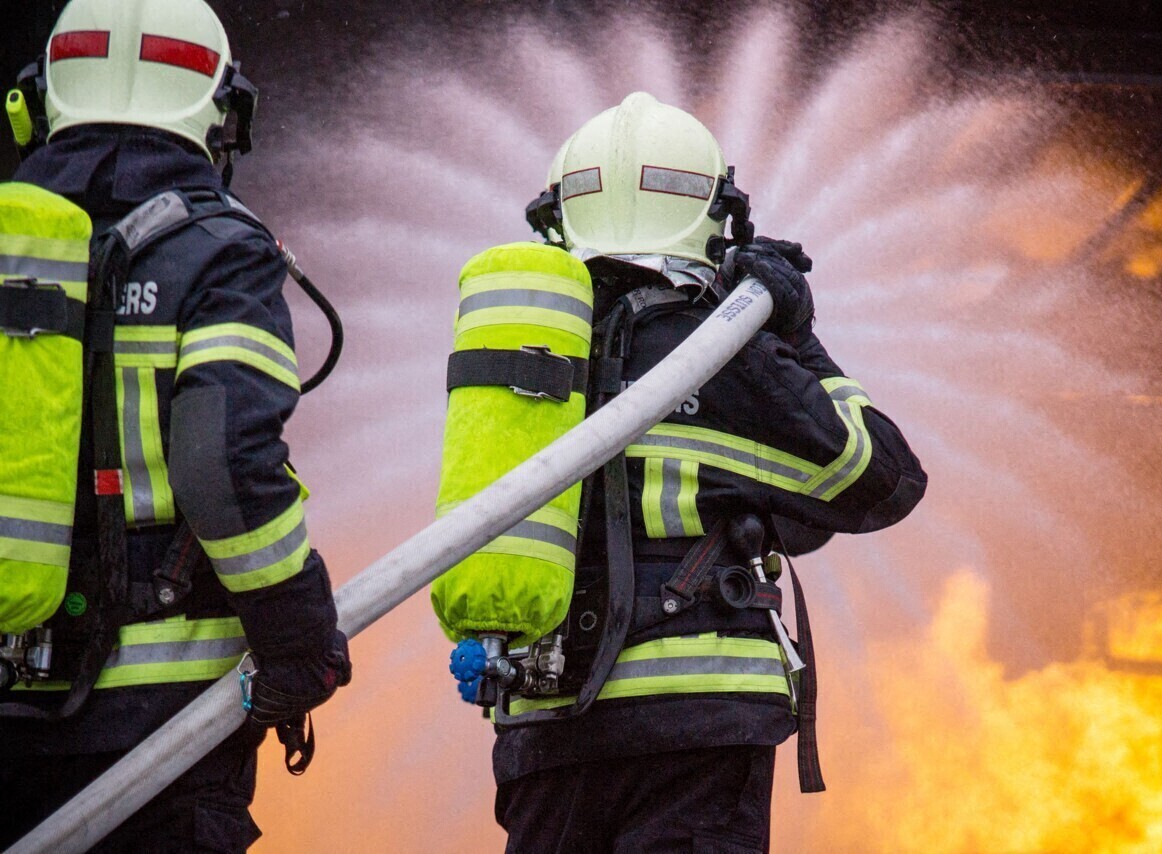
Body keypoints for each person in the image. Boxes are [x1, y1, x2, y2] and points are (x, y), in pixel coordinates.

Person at [438, 92, 927, 852]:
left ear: (556, 219)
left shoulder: (522, 361)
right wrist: (796, 335)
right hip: (696, 735)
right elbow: (882, 478)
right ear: (717, 220)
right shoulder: (728, 357)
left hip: (547, 739)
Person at [0, 0, 350, 850]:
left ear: (37, 101)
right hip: (155, 736)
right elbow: (223, 462)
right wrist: (297, 639)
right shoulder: (220, 252)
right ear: (223, 113)